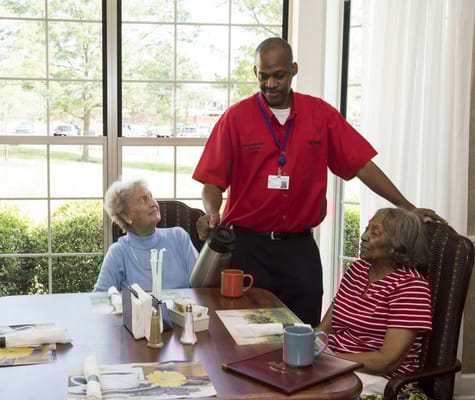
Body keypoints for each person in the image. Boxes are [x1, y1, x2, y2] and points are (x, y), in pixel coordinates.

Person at [192, 37, 444, 327]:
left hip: (299, 250)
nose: (270, 84)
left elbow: (361, 164)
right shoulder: (235, 118)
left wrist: (405, 205)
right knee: (245, 338)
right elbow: (211, 182)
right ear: (255, 72)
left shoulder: (320, 115)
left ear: (293, 70)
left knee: (303, 335)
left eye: (279, 75)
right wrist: (213, 212)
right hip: (248, 249)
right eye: (264, 76)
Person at [319, 207, 432, 399]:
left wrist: (327, 359)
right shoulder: (357, 270)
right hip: (336, 364)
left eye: (375, 232)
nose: (364, 236)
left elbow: (387, 361)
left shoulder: (410, 287)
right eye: (366, 229)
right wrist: (308, 350)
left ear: (397, 244)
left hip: (379, 377)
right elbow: (324, 329)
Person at [94, 179, 198, 292]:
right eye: (144, 199)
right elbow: (100, 297)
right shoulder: (118, 252)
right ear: (126, 216)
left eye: (151, 196)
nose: (153, 203)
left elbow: (202, 283)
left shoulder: (179, 237)